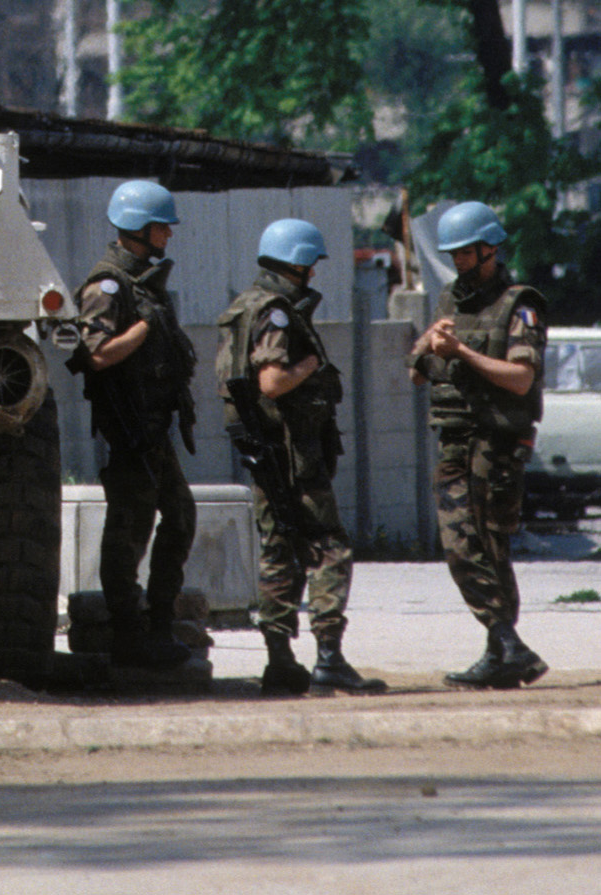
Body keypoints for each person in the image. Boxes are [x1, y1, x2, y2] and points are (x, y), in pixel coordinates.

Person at [216, 219, 385, 695]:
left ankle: (280, 661)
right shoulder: (278, 313)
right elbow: (271, 381)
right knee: (330, 548)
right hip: (292, 455)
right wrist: (309, 364)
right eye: (310, 263)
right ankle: (329, 656)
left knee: (278, 553)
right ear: (295, 261)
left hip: (267, 454)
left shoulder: (244, 307)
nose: (313, 273)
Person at [408, 201, 550, 689]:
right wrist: (429, 344)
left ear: (489, 247)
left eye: (466, 251)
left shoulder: (519, 303)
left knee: (490, 547)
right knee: (459, 544)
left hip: (497, 442)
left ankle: (502, 650)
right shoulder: (451, 298)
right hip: (456, 437)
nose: (459, 260)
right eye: (454, 253)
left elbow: (519, 378)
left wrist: (462, 352)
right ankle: (506, 645)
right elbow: (415, 370)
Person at [71, 180, 198, 670]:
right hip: (129, 432)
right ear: (137, 229)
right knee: (129, 532)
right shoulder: (108, 287)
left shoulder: (144, 283)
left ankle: (158, 623)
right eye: (161, 226)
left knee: (180, 517)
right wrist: (144, 329)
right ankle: (128, 632)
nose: (168, 234)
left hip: (154, 430)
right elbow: (96, 355)